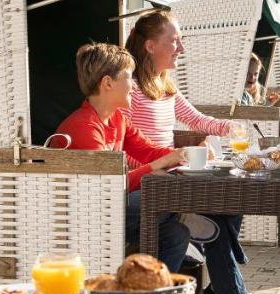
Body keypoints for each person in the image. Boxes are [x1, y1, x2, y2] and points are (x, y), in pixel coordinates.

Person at [125, 10, 249, 294]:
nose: (181, 48)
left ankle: (224, 287)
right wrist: (164, 163)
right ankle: (228, 291)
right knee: (219, 209)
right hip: (152, 179)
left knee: (230, 202)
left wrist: (229, 127)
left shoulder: (165, 86)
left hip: (173, 171)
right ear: (150, 46)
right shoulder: (127, 89)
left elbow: (197, 120)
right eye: (175, 41)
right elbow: (125, 149)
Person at [53, 44, 190, 270]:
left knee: (176, 235)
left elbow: (148, 150)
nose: (134, 86)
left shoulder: (117, 119)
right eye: (128, 77)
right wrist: (158, 165)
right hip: (85, 214)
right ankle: (184, 214)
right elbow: (107, 185)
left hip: (110, 205)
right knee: (159, 195)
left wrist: (183, 155)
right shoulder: (83, 127)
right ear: (107, 83)